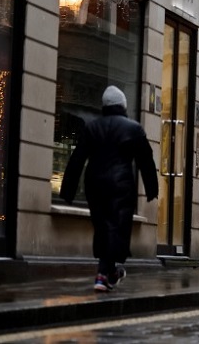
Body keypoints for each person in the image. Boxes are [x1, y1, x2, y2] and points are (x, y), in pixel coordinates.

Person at [60, 85, 159, 292]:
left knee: (103, 227)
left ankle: (109, 272)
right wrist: (152, 189)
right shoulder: (133, 128)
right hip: (120, 185)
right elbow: (146, 161)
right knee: (116, 228)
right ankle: (103, 273)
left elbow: (77, 159)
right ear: (123, 106)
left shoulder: (92, 127)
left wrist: (68, 190)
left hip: (94, 183)